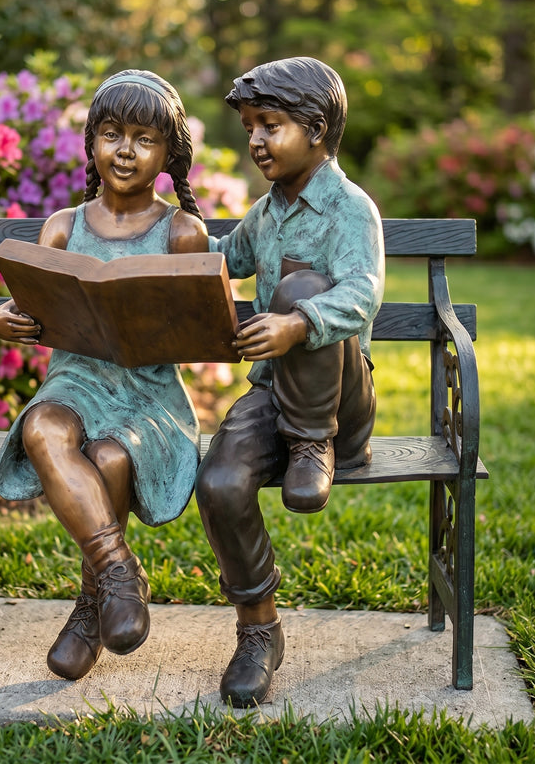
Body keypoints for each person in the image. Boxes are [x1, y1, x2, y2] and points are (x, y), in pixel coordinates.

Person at [0, 70, 208, 681]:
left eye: (143, 138)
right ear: (91, 143)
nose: (126, 151)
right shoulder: (62, 226)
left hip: (148, 391)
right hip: (75, 380)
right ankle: (118, 571)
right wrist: (1, 318)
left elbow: (197, 328)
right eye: (112, 134)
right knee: (42, 429)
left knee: (110, 460)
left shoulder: (182, 232)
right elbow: (30, 304)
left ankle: (90, 607)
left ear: (169, 153)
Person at [195, 57, 385, 707]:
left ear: (317, 128)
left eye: (269, 125)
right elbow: (221, 262)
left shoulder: (350, 209)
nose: (254, 141)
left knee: (301, 289)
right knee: (218, 481)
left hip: (341, 407)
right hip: (273, 393)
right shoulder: (266, 212)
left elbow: (362, 296)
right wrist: (169, 243)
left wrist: (296, 323)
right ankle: (259, 632)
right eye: (249, 127)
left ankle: (311, 443)